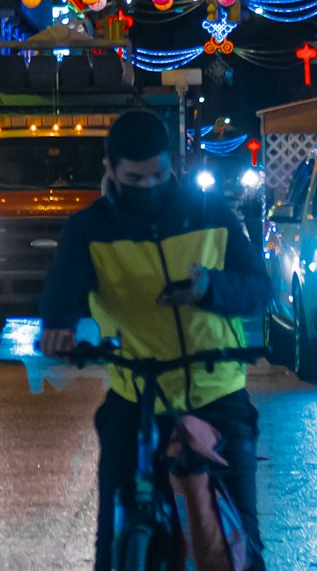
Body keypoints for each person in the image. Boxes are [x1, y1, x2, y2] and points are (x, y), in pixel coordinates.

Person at [38, 109, 270, 571]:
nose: (147, 187)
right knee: (114, 533)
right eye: (134, 178)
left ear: (171, 166)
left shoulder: (210, 212)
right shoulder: (89, 229)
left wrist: (210, 289)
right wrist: (58, 328)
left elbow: (258, 289)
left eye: (158, 175)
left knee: (240, 543)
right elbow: (63, 289)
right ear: (110, 170)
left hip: (216, 392)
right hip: (136, 392)